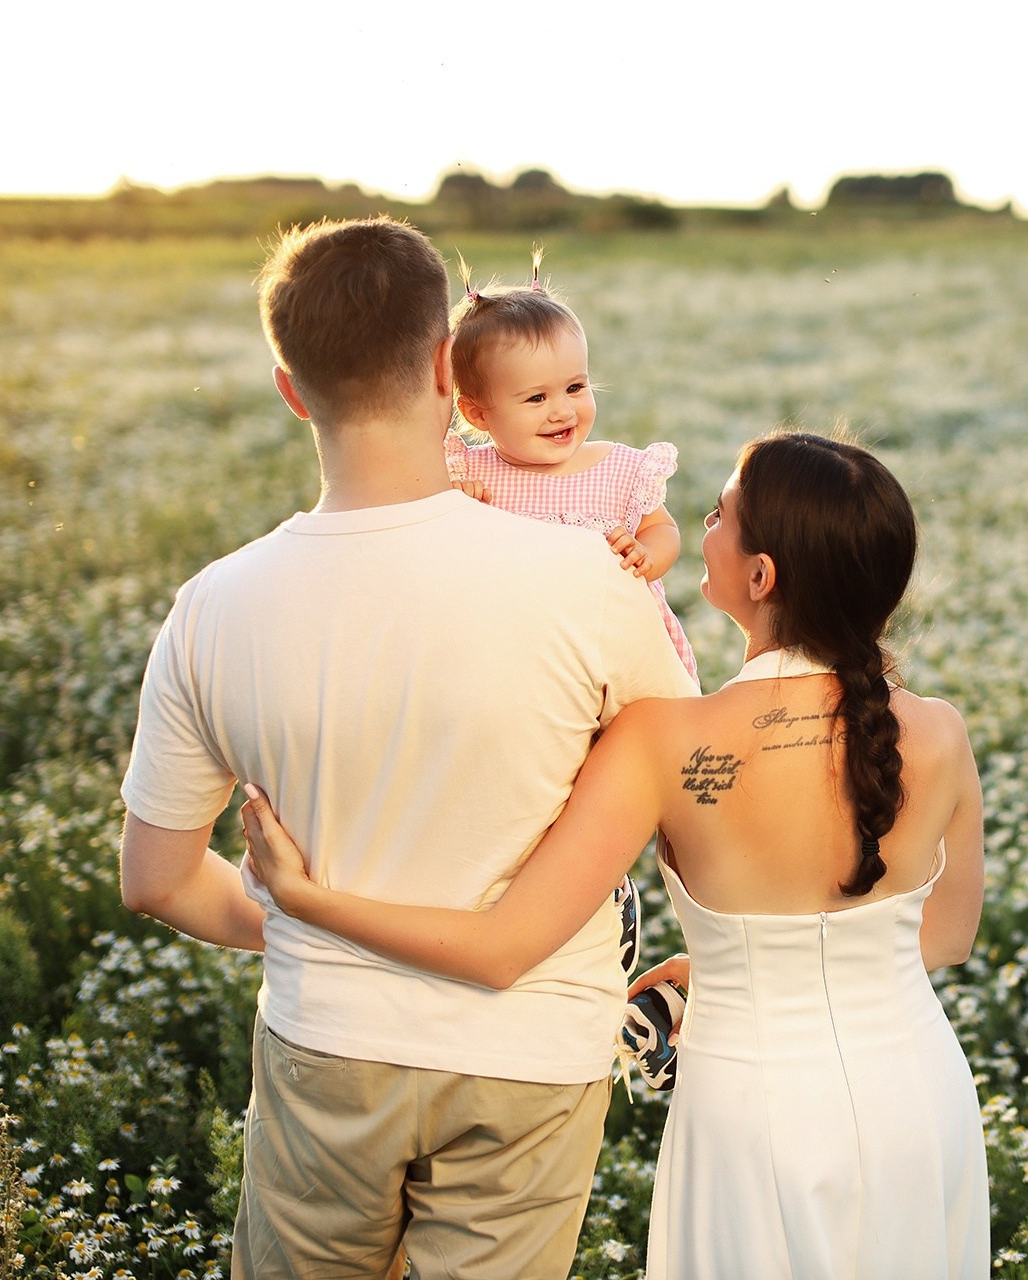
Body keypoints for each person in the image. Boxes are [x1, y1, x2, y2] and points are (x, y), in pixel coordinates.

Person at [240, 431, 991, 1278]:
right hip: (918, 1100)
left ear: (761, 577)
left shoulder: (663, 740)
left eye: (720, 514)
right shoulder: (941, 732)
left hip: (756, 1119)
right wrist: (755, 967)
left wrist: (306, 898)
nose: (700, 527)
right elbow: (944, 938)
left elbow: (501, 950)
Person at [117, 216, 696, 1279]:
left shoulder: (211, 607)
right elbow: (692, 791)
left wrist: (316, 919)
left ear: (292, 390)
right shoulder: (591, 581)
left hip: (326, 1045)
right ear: (446, 369)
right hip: (531, 1052)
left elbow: (155, 880)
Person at [443, 251, 696, 682]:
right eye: (536, 398)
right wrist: (458, 512)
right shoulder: (470, 479)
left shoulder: (619, 469)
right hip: (524, 660)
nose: (562, 411)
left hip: (619, 653)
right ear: (477, 414)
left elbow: (661, 528)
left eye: (575, 387)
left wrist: (648, 555)